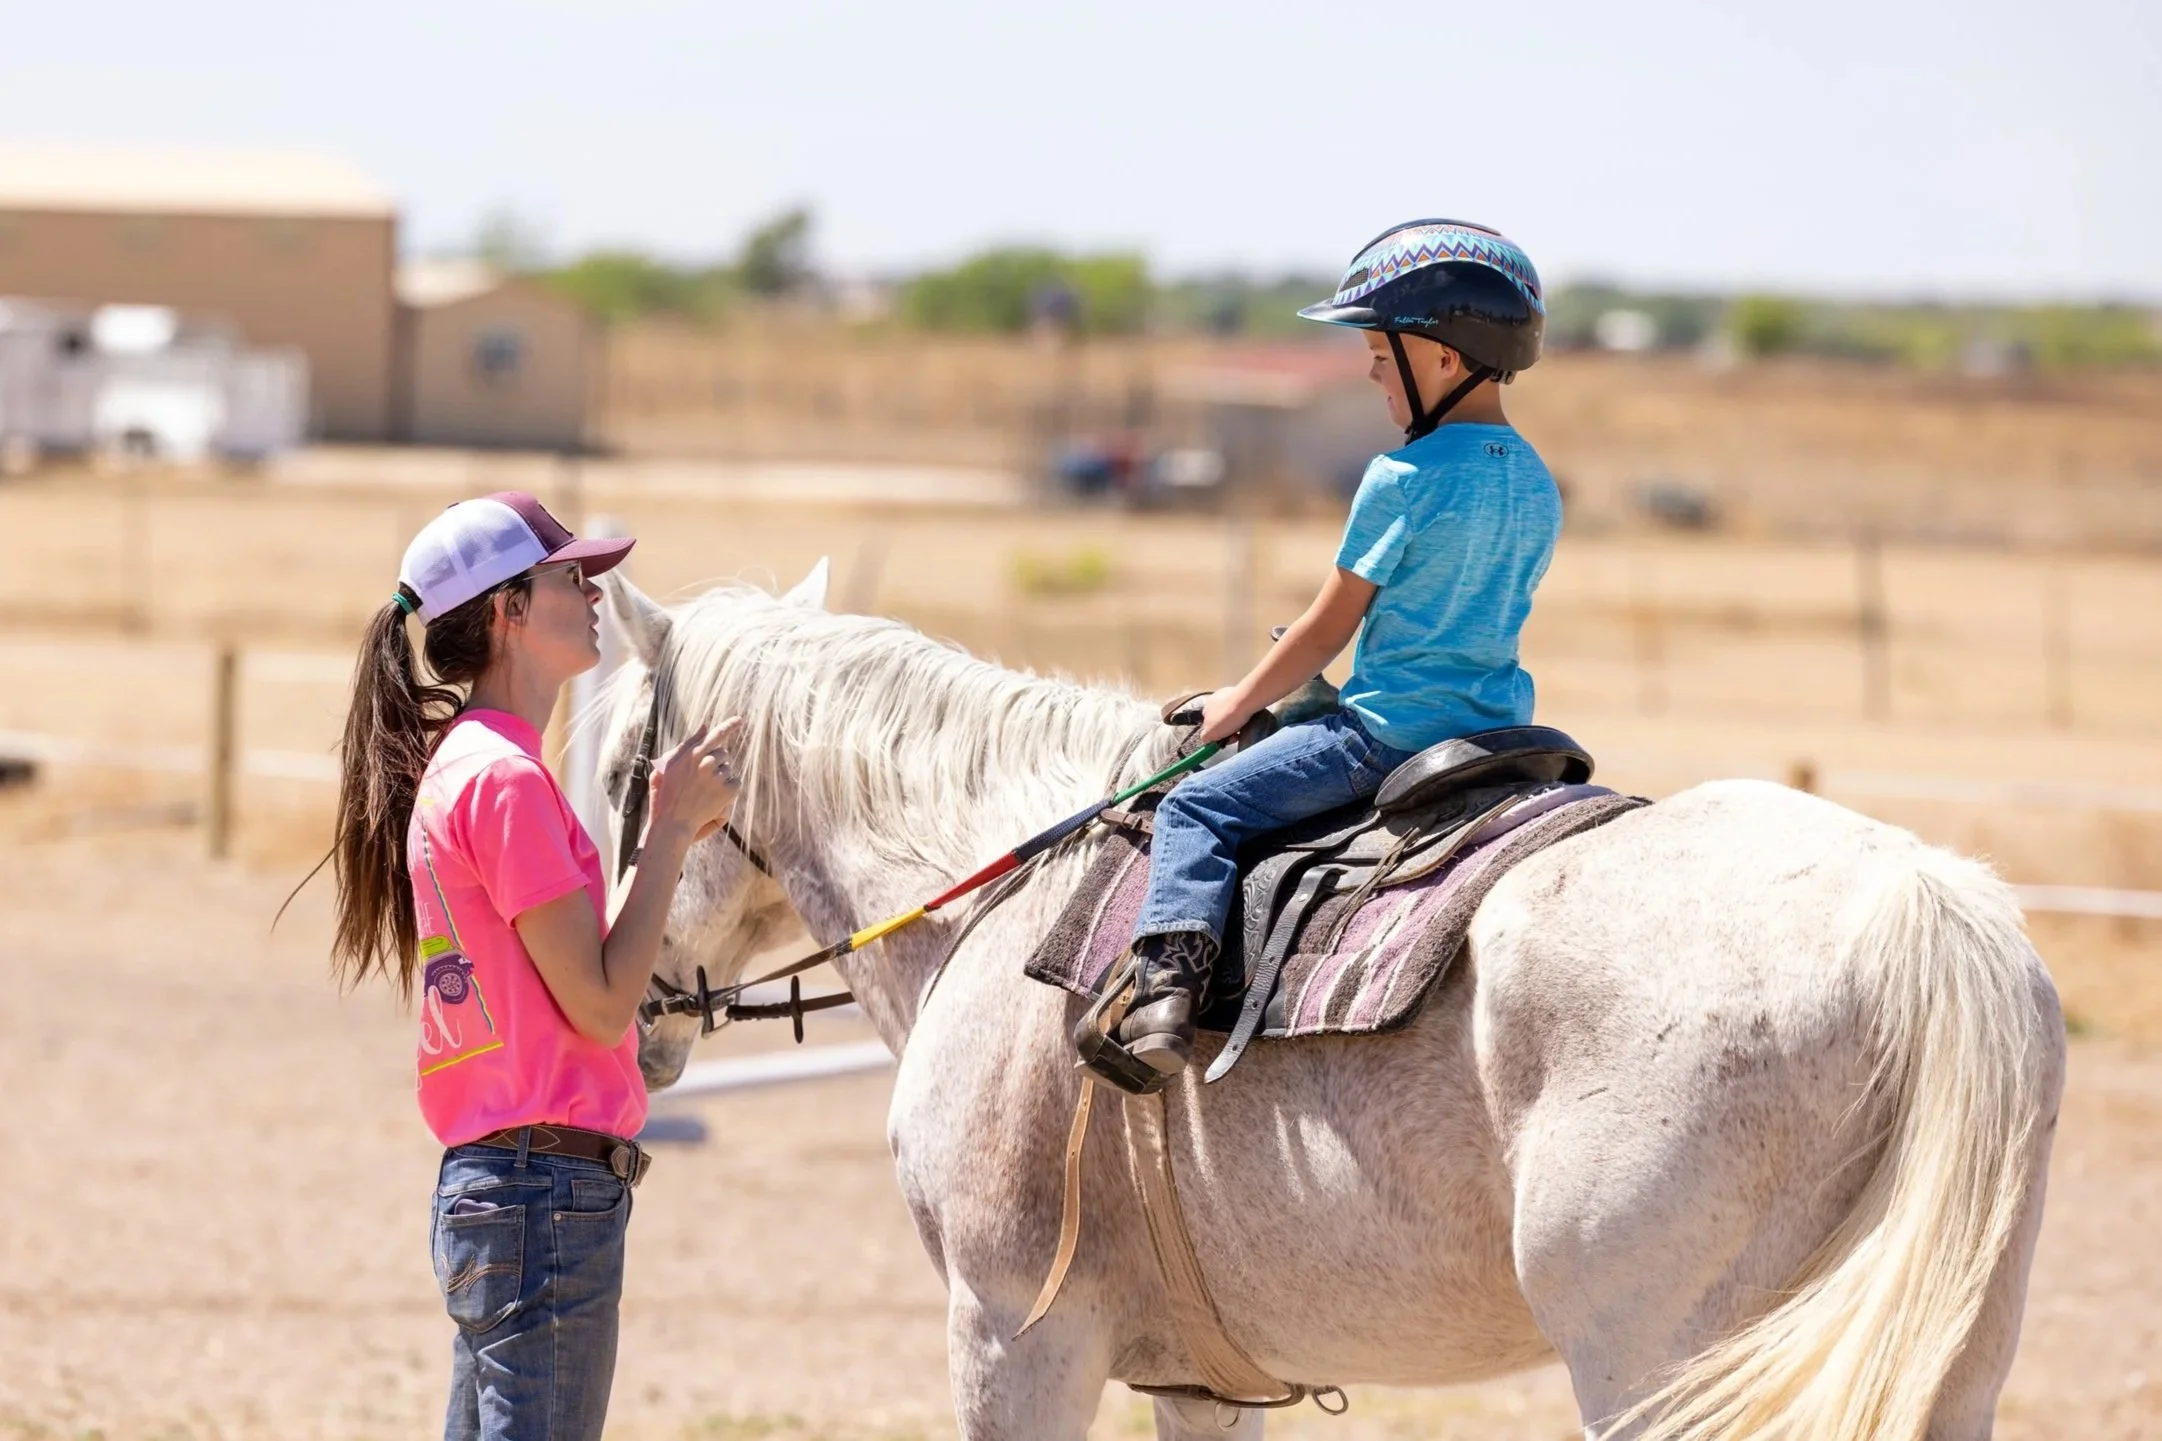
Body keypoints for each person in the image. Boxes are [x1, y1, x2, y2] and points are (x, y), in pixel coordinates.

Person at [327, 491, 741, 1441]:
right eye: (569, 577)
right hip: (544, 1196)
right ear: (509, 609)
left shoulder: (465, 767)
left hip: (504, 1188)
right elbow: (599, 1008)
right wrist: (670, 829)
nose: (594, 590)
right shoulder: (505, 782)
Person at [1106, 219, 1561, 1078]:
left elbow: (1327, 625)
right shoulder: (1536, 478)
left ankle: (1164, 992)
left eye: (1385, 359)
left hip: (1388, 735)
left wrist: (1233, 706)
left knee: (1197, 809)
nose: (1373, 374)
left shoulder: (1403, 478)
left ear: (1443, 359)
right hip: (1501, 732)